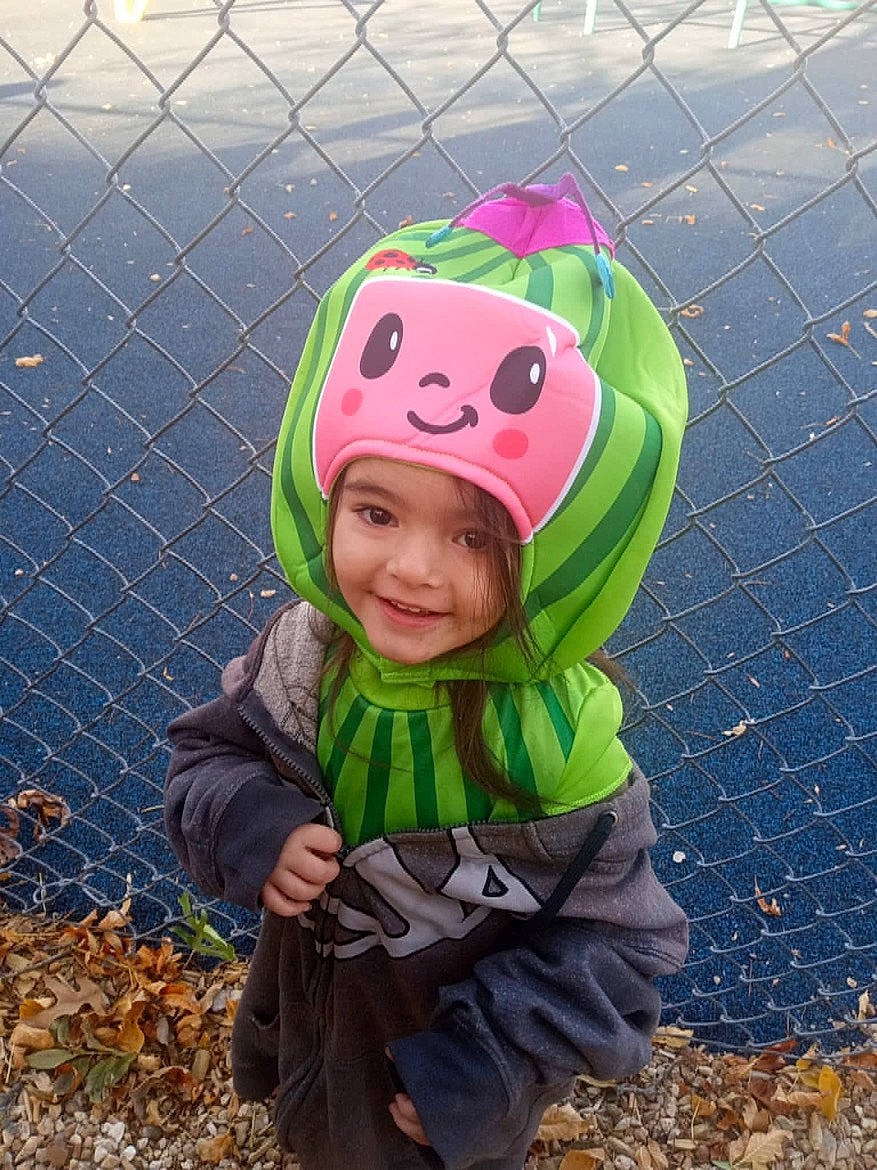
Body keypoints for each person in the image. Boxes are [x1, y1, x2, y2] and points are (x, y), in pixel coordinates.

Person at [164, 174, 690, 1170]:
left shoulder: (556, 755)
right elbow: (201, 760)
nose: (410, 568)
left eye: (475, 538)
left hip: (434, 1100)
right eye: (375, 513)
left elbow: (625, 950)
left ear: (558, 555)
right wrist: (247, 823)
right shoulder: (302, 659)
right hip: (310, 1028)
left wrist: (491, 1059)